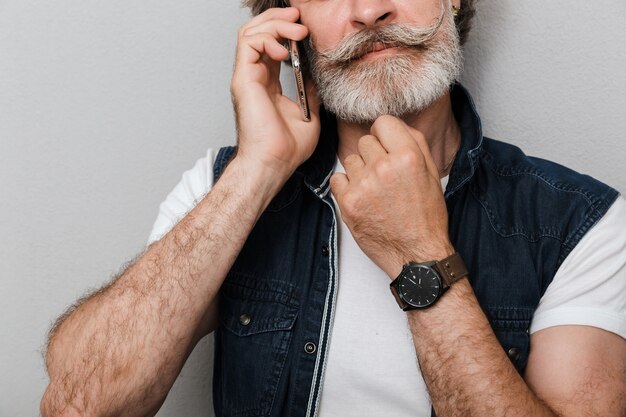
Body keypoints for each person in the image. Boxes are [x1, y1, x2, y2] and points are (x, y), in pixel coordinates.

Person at [41, 0, 626, 416]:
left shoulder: (581, 222)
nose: (369, 10)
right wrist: (258, 168)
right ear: (286, 24)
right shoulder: (221, 189)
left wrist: (420, 254)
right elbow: (78, 405)